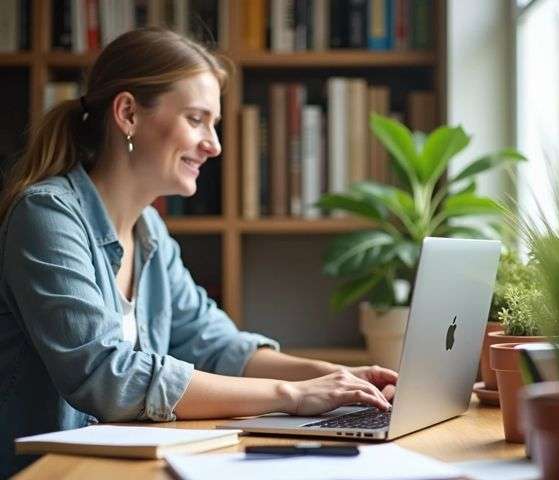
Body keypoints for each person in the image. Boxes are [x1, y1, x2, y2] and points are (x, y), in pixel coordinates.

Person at [0, 28, 397, 477]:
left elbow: (217, 347)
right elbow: (105, 375)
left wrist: (338, 379)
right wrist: (293, 394)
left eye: (214, 124)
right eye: (196, 119)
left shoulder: (150, 232)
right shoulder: (46, 215)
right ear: (128, 113)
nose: (215, 145)